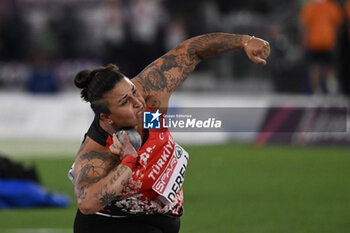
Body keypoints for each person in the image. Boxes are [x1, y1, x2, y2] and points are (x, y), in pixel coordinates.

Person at [70, 32, 270, 233]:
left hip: (161, 219)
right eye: (125, 102)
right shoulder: (99, 150)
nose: (138, 102)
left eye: (133, 91)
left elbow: (191, 51)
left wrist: (244, 41)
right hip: (111, 224)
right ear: (107, 118)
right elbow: (87, 203)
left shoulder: (150, 92)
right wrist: (128, 162)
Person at [299, 0, 343, 94]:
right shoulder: (332, 6)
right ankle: (332, 90)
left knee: (315, 67)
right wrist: (335, 39)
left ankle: (317, 91)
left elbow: (304, 26)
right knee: (330, 67)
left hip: (313, 41)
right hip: (328, 41)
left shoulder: (310, 7)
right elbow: (337, 25)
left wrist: (303, 42)